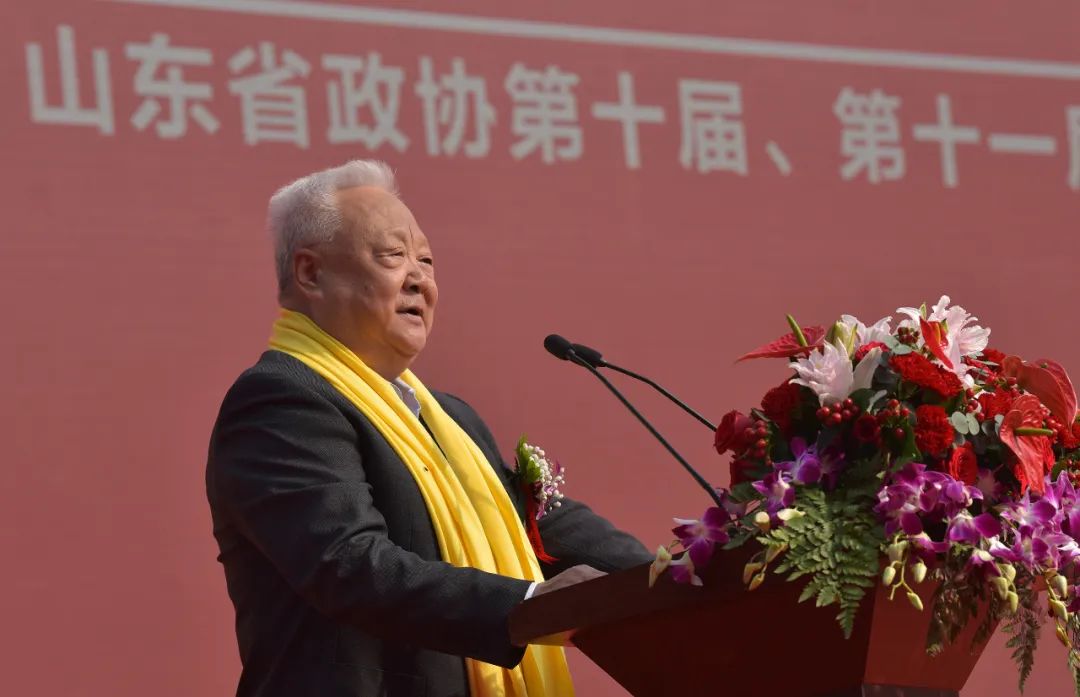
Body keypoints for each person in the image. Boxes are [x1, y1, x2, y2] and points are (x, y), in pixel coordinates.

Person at [206, 159, 651, 697]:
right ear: (310, 273)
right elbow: (348, 565)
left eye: (427, 260)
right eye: (393, 256)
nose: (419, 278)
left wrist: (689, 573)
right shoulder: (282, 400)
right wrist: (529, 604)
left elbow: (537, 525)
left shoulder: (449, 418)